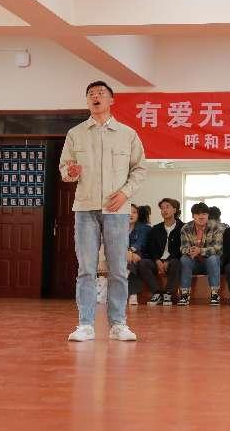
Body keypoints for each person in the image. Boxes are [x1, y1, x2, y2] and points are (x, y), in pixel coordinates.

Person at [59, 80, 146, 342]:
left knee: (118, 268)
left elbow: (140, 169)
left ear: (111, 100)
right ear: (87, 101)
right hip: (85, 209)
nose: (95, 97)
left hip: (116, 210)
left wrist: (125, 193)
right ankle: (85, 324)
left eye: (100, 93)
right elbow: (65, 170)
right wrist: (70, 172)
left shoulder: (127, 134)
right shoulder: (75, 134)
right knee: (86, 268)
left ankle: (118, 324)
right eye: (90, 94)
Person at [139, 198, 183, 306]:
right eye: (162, 208)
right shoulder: (156, 228)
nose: (165, 210)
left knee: (176, 263)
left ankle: (169, 294)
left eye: (167, 207)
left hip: (173, 260)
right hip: (158, 260)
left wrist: (168, 260)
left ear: (175, 210)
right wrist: (157, 260)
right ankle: (157, 293)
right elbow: (151, 248)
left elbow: (181, 248)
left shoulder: (182, 228)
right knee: (143, 263)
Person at [179, 202, 224, 306]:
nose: (201, 217)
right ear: (193, 216)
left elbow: (218, 249)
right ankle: (184, 294)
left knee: (213, 258)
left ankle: (215, 294)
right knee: (184, 259)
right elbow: (183, 248)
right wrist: (190, 250)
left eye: (204, 214)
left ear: (208, 215)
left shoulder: (216, 227)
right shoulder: (186, 228)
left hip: (210, 263)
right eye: (197, 214)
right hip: (194, 262)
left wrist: (200, 250)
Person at [127, 203, 152, 305]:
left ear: (138, 215)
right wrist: (127, 252)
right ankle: (133, 293)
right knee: (131, 261)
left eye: (134, 212)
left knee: (134, 259)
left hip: (142, 255)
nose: (131, 214)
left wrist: (130, 251)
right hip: (126, 255)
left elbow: (140, 243)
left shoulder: (144, 228)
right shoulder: (119, 228)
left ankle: (132, 293)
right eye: (128, 212)